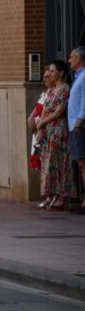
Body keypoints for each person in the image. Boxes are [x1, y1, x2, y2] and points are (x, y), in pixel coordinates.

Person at [34, 61, 72, 210]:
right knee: (47, 162)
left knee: (59, 162)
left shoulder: (65, 89)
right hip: (48, 130)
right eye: (49, 71)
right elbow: (45, 109)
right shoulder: (51, 90)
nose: (49, 74)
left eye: (52, 71)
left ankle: (61, 196)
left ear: (61, 72)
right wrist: (41, 128)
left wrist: (42, 123)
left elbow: (58, 112)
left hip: (59, 130)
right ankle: (50, 195)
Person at [68, 45, 85, 213]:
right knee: (80, 164)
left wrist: (80, 121)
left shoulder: (84, 76)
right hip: (74, 125)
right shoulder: (78, 76)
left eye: (72, 57)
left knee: (83, 163)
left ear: (79, 59)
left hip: (79, 125)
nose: (69, 60)